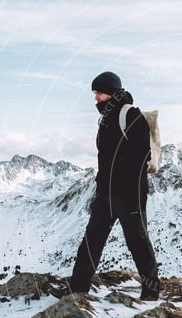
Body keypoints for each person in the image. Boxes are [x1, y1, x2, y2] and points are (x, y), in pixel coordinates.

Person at [51, 71, 162, 300]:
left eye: (99, 93)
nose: (96, 98)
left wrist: (127, 185)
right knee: (92, 240)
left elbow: (142, 155)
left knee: (138, 241)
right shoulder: (105, 119)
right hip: (106, 195)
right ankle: (78, 286)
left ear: (111, 93)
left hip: (130, 195)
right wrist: (102, 185)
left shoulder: (129, 115)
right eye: (95, 93)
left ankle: (151, 290)